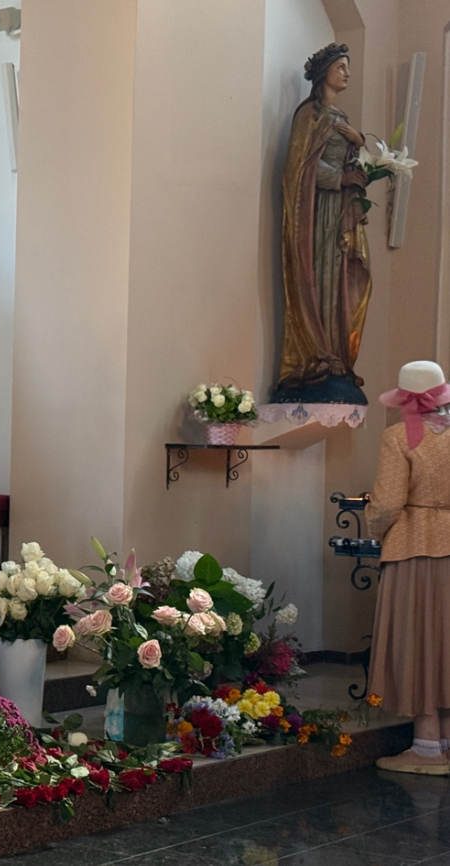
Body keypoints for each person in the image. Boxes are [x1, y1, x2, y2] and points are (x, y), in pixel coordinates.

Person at [272, 43, 371, 406]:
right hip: (315, 216)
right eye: (341, 67)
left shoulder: (340, 117)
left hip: (338, 211)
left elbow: (344, 162)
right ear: (324, 72)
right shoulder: (309, 115)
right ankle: (318, 354)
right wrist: (339, 178)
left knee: (339, 279)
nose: (347, 74)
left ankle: (337, 355)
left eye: (347, 67)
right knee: (320, 277)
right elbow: (298, 169)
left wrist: (357, 160)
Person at [367, 361, 450, 775]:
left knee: (417, 640)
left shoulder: (399, 437)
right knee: (445, 642)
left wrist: (374, 528)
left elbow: (386, 503)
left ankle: (427, 746)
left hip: (413, 546)